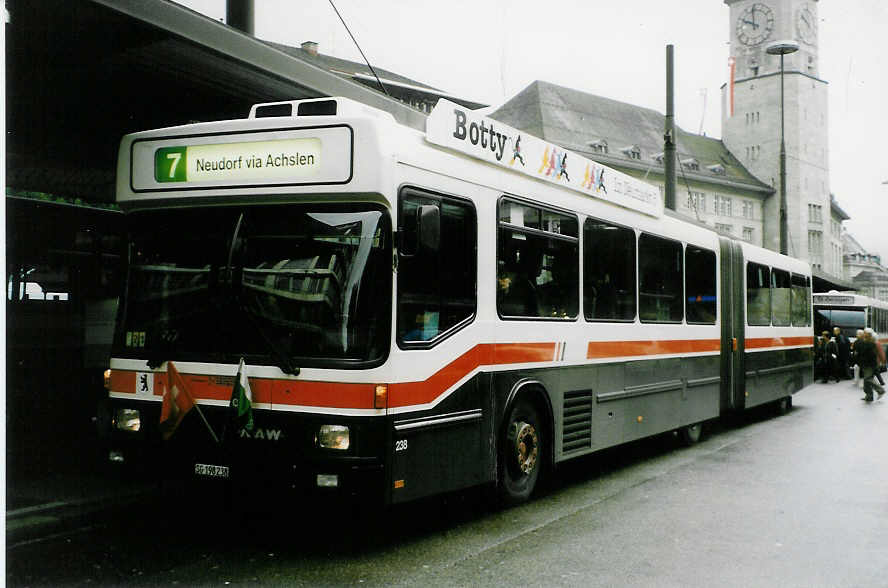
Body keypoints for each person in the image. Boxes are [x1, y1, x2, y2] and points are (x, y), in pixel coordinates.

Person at [857, 329, 885, 401]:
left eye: (865, 333)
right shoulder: (865, 342)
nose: (863, 333)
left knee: (868, 378)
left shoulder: (871, 343)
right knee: (866, 382)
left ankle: (880, 390)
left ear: (868, 334)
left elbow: (873, 355)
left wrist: (879, 363)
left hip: (869, 365)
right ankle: (869, 396)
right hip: (865, 364)